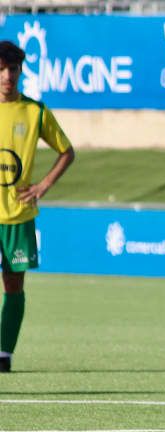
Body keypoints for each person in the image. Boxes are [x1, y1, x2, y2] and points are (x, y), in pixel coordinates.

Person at [0, 41, 74, 373]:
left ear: (20, 71)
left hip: (18, 217)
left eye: (12, 69)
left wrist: (43, 186)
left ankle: (3, 353)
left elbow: (66, 151)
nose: (6, 77)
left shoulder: (35, 112)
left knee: (13, 285)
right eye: (1, 70)